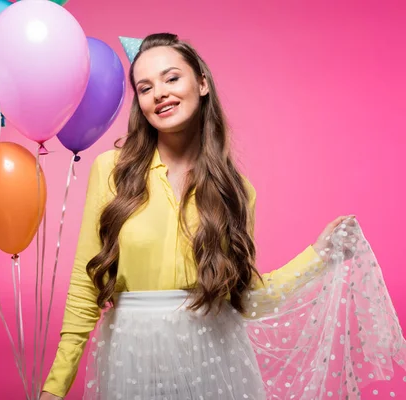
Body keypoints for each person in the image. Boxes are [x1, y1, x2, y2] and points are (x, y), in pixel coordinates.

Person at [40, 33, 406, 399]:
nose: (160, 94)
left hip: (213, 358)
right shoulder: (112, 171)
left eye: (171, 78)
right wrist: (54, 390)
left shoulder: (235, 189)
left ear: (201, 83)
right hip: (132, 358)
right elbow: (83, 289)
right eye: (145, 87)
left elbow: (245, 297)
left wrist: (317, 255)